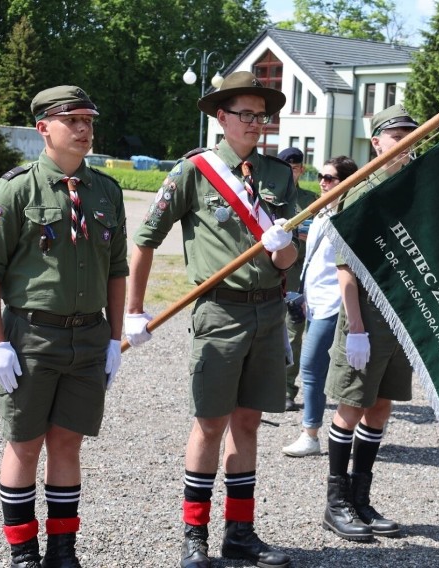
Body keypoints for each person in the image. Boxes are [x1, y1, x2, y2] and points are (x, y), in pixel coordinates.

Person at [124, 71, 297, 568]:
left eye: (261, 115)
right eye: (245, 114)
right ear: (221, 118)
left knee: (248, 423)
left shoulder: (280, 175)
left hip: (268, 310)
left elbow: (289, 262)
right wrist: (134, 311)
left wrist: (283, 249)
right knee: (209, 424)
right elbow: (145, 241)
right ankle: (194, 536)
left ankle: (239, 533)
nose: (255, 123)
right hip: (220, 311)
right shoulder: (194, 172)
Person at [0, 85, 128, 567]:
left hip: (89, 336)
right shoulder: (16, 189)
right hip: (32, 336)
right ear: (43, 129)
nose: (84, 129)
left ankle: (62, 552)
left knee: (67, 443)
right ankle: (23, 555)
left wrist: (115, 338)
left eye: (88, 120)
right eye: (72, 120)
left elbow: (117, 268)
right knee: (24, 444)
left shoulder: (106, 190)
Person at [321, 104, 419, 542]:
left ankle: (361, 498)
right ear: (377, 142)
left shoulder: (414, 187)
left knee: (380, 407)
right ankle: (336, 503)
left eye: (410, 135)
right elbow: (346, 266)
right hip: (366, 317)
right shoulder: (362, 191)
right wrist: (356, 326)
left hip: (399, 317)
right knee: (351, 407)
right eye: (396, 136)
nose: (406, 143)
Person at [282, 156, 358, 457]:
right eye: (321, 176)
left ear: (346, 182)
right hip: (314, 302)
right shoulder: (322, 211)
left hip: (334, 304)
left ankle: (310, 433)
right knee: (322, 367)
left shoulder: (348, 216)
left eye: (329, 178)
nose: (322, 183)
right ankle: (337, 429)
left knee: (311, 365)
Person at [277, 146, 318, 412]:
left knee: (293, 332)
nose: (290, 173)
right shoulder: (268, 197)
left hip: (299, 275)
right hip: (272, 274)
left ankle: (286, 390)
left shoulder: (312, 201)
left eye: (294, 168)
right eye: (285, 168)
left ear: (301, 169)